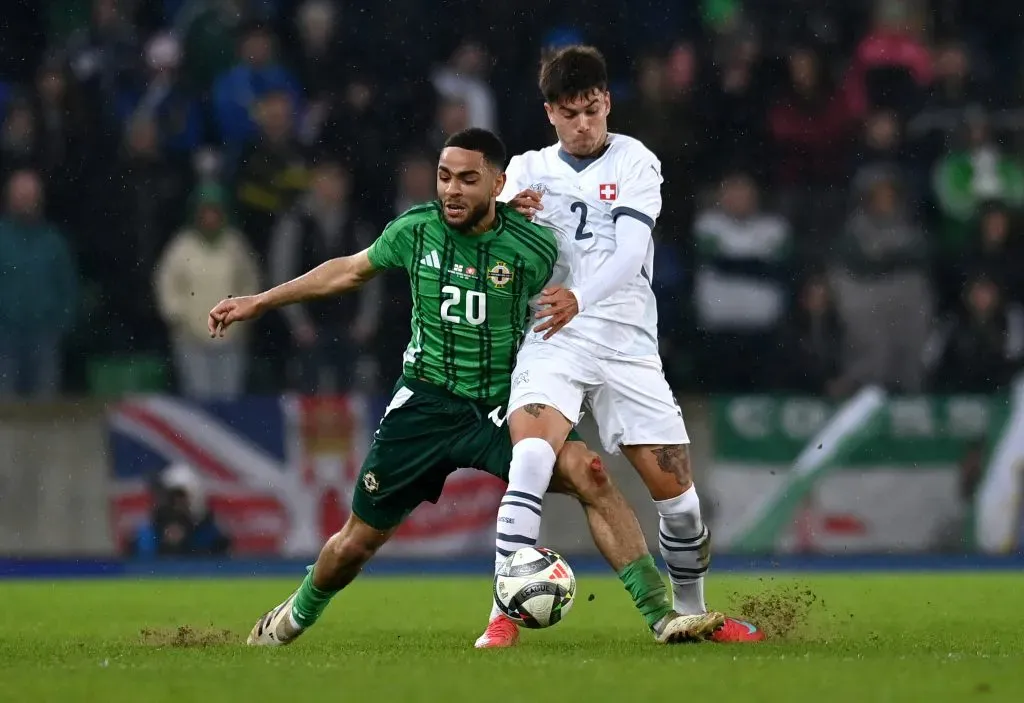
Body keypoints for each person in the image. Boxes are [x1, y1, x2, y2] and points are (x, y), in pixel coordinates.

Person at [208, 128, 725, 647]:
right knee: (355, 545)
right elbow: (348, 271)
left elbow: (595, 265)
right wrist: (261, 301)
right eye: (444, 177)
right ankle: (294, 616)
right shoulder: (416, 229)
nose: (452, 190)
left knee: (588, 473)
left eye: (468, 179)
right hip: (425, 404)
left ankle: (661, 616)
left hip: (499, 404)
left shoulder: (534, 243)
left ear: (498, 183)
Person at [478, 46, 764, 647]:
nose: (584, 123)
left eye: (593, 109)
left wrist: (579, 295)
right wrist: (502, 215)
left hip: (627, 342)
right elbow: (477, 238)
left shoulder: (636, 161)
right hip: (552, 336)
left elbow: (631, 251)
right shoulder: (526, 171)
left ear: (606, 102)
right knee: (531, 456)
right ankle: (503, 613)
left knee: (681, 502)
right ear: (549, 112)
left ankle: (690, 615)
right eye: (570, 112)